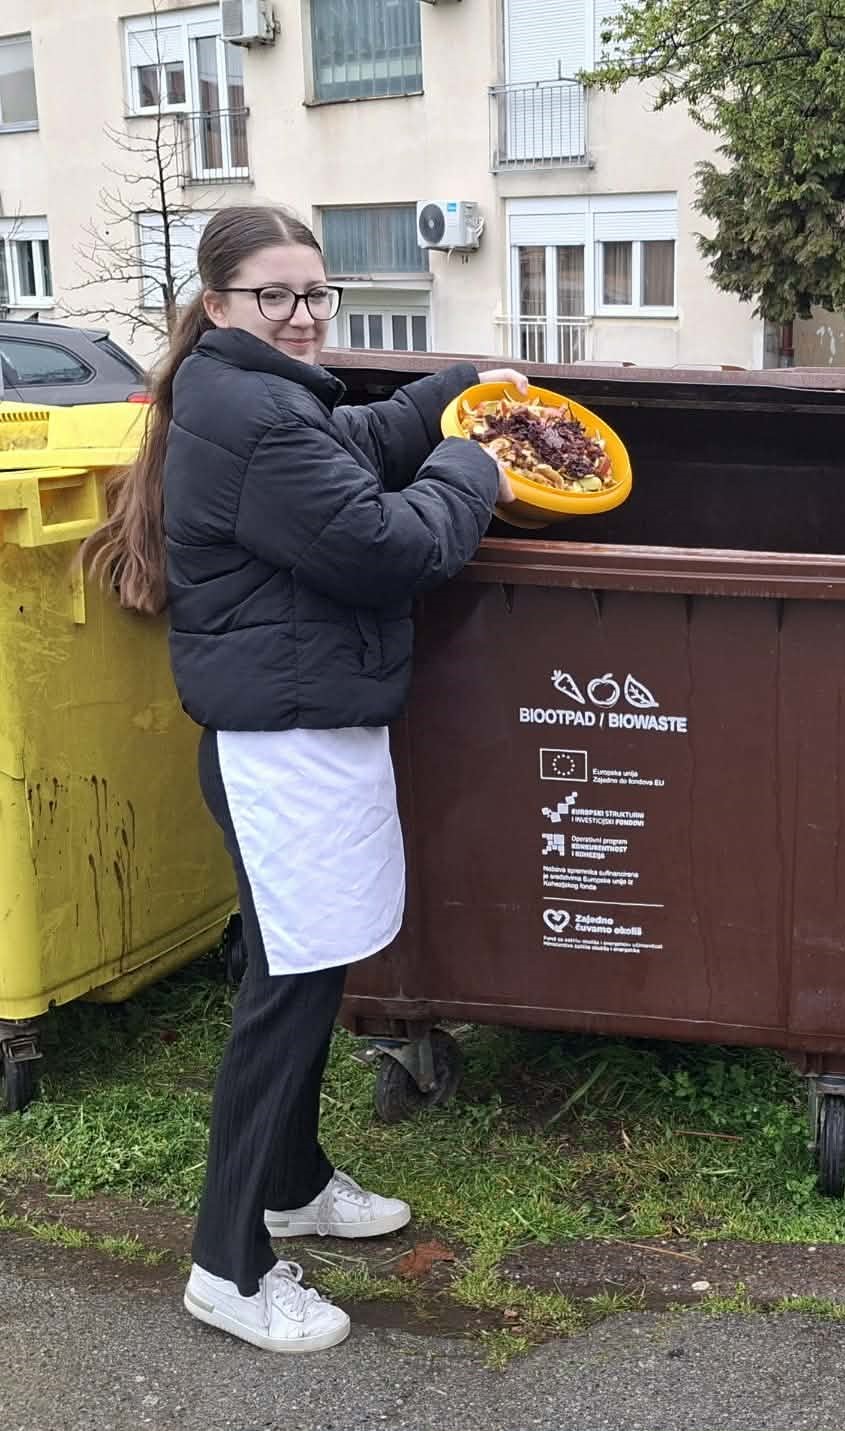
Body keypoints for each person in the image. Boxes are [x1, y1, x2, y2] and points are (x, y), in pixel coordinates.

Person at [79, 205, 525, 1354]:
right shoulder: (251, 412)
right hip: (282, 750)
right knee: (282, 1002)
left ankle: (293, 1182)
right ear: (218, 304)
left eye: (315, 292)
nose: (303, 314)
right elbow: (388, 546)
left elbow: (354, 445)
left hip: (302, 731)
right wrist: (471, 465)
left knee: (314, 973)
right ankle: (227, 1265)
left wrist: (454, 393)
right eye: (274, 295)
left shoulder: (254, 395)